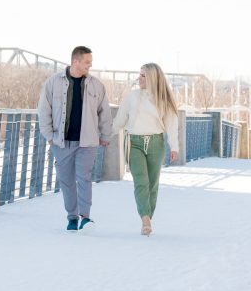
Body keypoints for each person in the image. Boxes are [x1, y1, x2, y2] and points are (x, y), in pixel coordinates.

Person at [37, 46, 112, 231]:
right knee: (66, 181)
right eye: (87, 62)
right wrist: (49, 137)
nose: (90, 65)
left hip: (88, 142)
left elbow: (105, 113)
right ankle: (72, 217)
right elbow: (44, 111)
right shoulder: (53, 82)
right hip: (61, 142)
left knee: (83, 178)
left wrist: (105, 135)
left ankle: (85, 217)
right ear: (75, 61)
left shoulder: (96, 85)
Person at [112, 63, 180, 236]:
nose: (139, 79)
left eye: (143, 76)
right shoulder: (132, 97)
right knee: (141, 181)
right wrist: (104, 136)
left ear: (153, 78)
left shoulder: (164, 100)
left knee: (152, 184)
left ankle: (148, 215)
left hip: (156, 143)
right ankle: (145, 221)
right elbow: (120, 120)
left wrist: (175, 147)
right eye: (139, 75)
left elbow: (172, 125)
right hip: (133, 142)